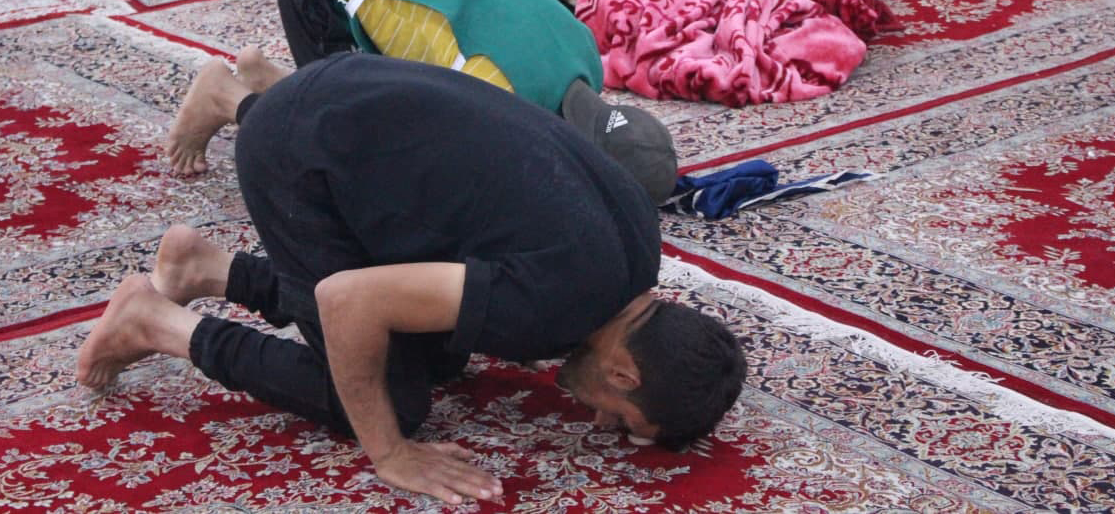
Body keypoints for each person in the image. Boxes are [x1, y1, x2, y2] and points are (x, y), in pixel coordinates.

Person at [83, 53, 747, 506]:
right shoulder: (553, 302)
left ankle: (210, 266)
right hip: (296, 156)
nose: (596, 418)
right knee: (387, 399)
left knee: (443, 351)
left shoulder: (637, 248)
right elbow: (347, 301)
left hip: (351, 86)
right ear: (625, 373)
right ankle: (157, 322)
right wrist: (390, 453)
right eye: (618, 415)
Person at [165, 0, 679, 204]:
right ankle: (227, 96)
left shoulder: (585, 56)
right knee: (362, 162)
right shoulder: (499, 99)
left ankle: (273, 82)